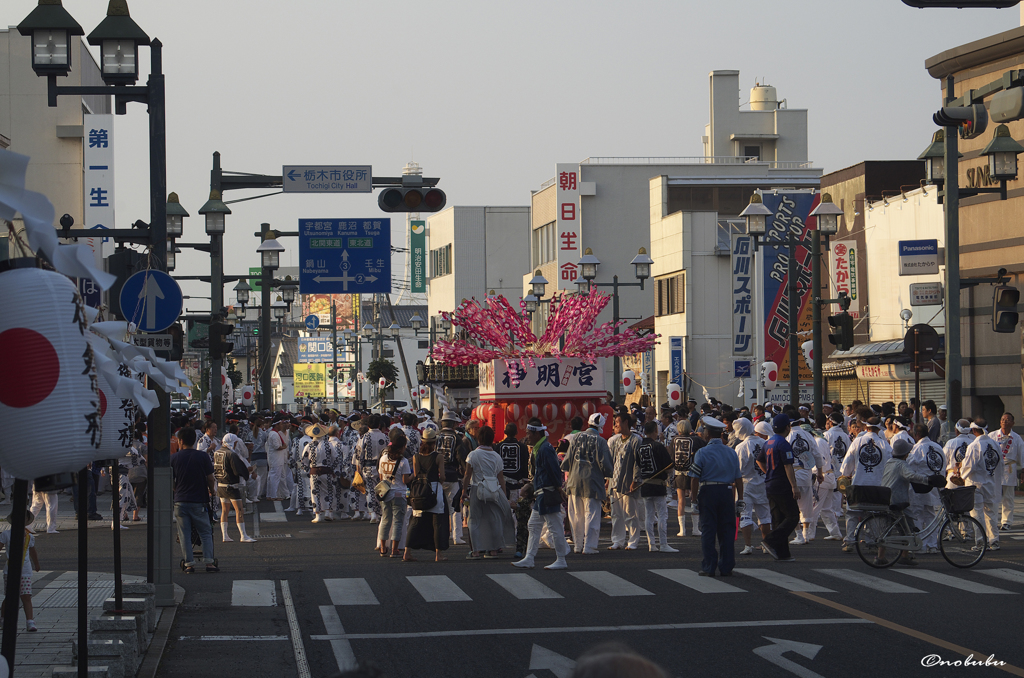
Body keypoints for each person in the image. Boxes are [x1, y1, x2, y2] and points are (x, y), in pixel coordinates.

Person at [688, 416, 743, 576]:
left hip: (708, 492)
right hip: (727, 492)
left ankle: (709, 566)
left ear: (707, 433)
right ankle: (727, 566)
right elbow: (738, 479)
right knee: (727, 530)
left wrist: (693, 499)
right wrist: (740, 499)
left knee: (708, 529)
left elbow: (694, 478)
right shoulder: (731, 452)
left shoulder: (702, 453)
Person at [513, 419, 571, 570]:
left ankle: (561, 558)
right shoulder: (540, 447)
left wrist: (558, 488)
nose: (527, 436)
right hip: (542, 493)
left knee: (554, 526)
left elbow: (554, 469)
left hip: (547, 492)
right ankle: (529, 558)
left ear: (536, 433)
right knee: (534, 525)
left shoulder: (544, 449)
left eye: (528, 433)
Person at [880, 439, 941, 567]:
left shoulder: (889, 462)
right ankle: (904, 555)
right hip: (898, 500)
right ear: (905, 454)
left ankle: (880, 556)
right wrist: (927, 479)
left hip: (886, 498)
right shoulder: (902, 465)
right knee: (908, 528)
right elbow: (911, 476)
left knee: (886, 530)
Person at [561, 413, 614, 555]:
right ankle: (589, 547)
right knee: (592, 515)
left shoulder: (576, 437)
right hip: (592, 482)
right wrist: (609, 474)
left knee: (575, 515)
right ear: (601, 426)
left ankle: (577, 546)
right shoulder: (601, 441)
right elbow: (607, 466)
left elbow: (567, 461)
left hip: (574, 481)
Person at [838, 417, 892, 553]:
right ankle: (871, 540)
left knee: (852, 513)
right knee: (873, 514)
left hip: (859, 483)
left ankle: (850, 541)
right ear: (879, 429)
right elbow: (889, 465)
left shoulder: (857, 441)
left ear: (866, 427)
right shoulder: (884, 444)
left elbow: (847, 464)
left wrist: (846, 473)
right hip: (877, 484)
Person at [170, 426, 218, 573]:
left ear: (181, 441)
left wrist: (176, 489)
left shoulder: (174, 458)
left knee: (184, 533)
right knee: (205, 531)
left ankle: (189, 564)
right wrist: (212, 491)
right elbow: (210, 478)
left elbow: (170, 480)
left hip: (180, 500)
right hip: (199, 500)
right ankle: (209, 563)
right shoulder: (202, 457)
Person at [464, 426, 515, 559]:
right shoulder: (497, 456)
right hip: (494, 490)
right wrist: (503, 495)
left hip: (477, 488)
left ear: (479, 438)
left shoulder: (473, 455)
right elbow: (501, 479)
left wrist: (464, 491)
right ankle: (493, 550)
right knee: (494, 519)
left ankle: (475, 551)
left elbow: (467, 475)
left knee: (475, 520)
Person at [406, 429, 450, 561]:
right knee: (438, 522)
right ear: (434, 442)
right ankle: (438, 554)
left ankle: (407, 552)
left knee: (415, 522)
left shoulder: (416, 457)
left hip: (419, 490)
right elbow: (442, 476)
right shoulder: (438, 457)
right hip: (434, 490)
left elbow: (415, 474)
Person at [761, 414, 800, 562]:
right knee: (793, 515)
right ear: (787, 427)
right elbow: (788, 465)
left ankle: (782, 553)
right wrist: (794, 486)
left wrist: (769, 472)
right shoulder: (783, 443)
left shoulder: (768, 442)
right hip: (782, 484)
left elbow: (759, 460)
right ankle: (770, 540)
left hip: (770, 483)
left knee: (778, 518)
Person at [635, 421, 676, 553]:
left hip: (646, 483)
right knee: (662, 515)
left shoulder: (640, 447)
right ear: (655, 431)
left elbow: (638, 465)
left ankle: (651, 544)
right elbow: (669, 467)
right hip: (658, 484)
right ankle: (663, 544)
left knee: (649, 515)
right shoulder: (658, 446)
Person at [962, 419, 1002, 549]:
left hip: (976, 483)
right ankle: (994, 540)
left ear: (973, 430)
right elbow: (1000, 463)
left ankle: (980, 542)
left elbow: (969, 467)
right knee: (991, 512)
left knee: (977, 513)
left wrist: (961, 475)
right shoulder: (995, 444)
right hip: (991, 482)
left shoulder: (974, 446)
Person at [608, 412, 644, 551]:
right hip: (615, 481)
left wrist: (635, 480)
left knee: (630, 513)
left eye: (617, 422)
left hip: (628, 481)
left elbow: (637, 462)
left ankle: (633, 541)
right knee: (616, 514)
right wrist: (608, 480)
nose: (616, 425)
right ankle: (617, 540)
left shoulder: (636, 440)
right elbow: (611, 461)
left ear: (625, 423)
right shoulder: (615, 440)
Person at [0, 510, 40, 632]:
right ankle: (3, 618)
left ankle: (30, 621)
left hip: (25, 570)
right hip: (10, 570)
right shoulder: (6, 534)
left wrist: (36, 563)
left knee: (26, 596)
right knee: (10, 596)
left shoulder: (29, 536)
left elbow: (32, 551)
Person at [735, 419, 772, 554]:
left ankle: (748, 545)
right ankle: (766, 545)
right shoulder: (764, 443)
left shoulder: (741, 447)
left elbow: (738, 470)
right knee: (765, 516)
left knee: (745, 515)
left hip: (746, 485)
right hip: (763, 483)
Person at [907, 423, 945, 554]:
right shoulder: (938, 447)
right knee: (930, 516)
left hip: (920, 486)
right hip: (935, 486)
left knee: (917, 515)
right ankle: (932, 545)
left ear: (916, 435)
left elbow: (909, 467)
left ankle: (920, 545)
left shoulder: (916, 448)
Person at [786, 419, 824, 545]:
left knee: (792, 506)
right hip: (806, 473)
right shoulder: (808, 435)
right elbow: (817, 455)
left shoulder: (786, 435)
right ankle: (806, 534)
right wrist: (819, 472)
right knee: (806, 505)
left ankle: (798, 535)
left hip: (791, 474)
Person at [213, 436, 257, 543]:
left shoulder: (217, 452)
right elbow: (238, 470)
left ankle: (225, 535)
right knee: (239, 510)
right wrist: (248, 472)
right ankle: (243, 535)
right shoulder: (231, 454)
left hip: (221, 485)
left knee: (224, 511)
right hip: (231, 485)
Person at [377, 432, 413, 560]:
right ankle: (395, 549)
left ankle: (382, 547)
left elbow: (381, 477)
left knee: (385, 520)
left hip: (385, 493)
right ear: (402, 447)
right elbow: (405, 480)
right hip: (399, 493)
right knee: (398, 522)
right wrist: (414, 475)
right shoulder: (403, 461)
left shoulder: (383, 458)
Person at [988, 412, 1024, 531]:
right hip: (996, 468)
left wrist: (1022, 469)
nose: (1004, 421)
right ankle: (992, 520)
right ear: (1000, 422)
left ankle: (1007, 522)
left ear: (1013, 423)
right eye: (1003, 419)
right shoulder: (992, 436)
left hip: (1009, 468)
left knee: (1008, 497)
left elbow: (1021, 455)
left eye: (1007, 420)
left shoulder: (1017, 438)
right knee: (994, 495)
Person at [436, 411, 467, 544]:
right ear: (454, 423)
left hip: (437, 475)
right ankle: (456, 536)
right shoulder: (456, 438)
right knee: (454, 507)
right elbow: (461, 456)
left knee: (439, 507)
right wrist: (465, 471)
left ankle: (441, 534)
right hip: (452, 475)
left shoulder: (436, 436)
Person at [672, 419, 703, 537]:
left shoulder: (674, 440)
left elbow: (671, 456)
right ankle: (695, 528)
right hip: (694, 473)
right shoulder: (695, 440)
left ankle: (682, 530)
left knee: (681, 500)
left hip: (679, 473)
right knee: (694, 499)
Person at [266, 416, 292, 501]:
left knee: (276, 477)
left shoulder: (275, 433)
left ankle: (272, 494)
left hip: (278, 459)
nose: (282, 425)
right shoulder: (274, 434)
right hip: (276, 459)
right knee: (275, 477)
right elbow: (277, 447)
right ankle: (274, 495)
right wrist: (284, 447)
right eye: (281, 424)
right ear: (277, 425)